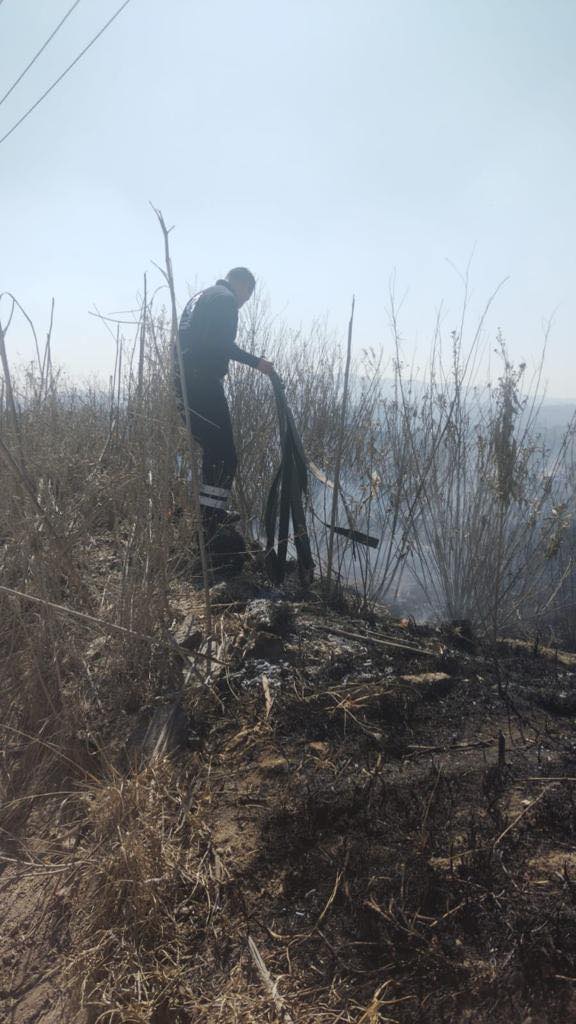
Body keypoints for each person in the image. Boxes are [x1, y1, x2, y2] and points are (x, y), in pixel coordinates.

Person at [176, 267, 274, 544]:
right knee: (226, 455)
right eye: (248, 295)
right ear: (243, 286)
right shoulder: (226, 299)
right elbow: (220, 343)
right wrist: (257, 363)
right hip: (201, 383)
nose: (245, 302)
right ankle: (210, 522)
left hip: (185, 382)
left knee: (214, 451)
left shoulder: (204, 296)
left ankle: (210, 515)